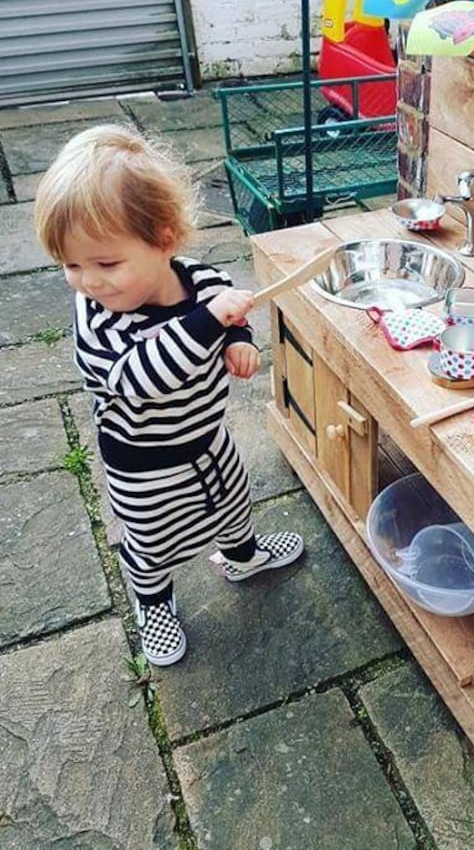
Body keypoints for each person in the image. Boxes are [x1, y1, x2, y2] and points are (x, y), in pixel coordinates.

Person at [33, 124, 304, 667]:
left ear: (164, 240)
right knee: (150, 542)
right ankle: (153, 602)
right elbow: (142, 377)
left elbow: (224, 303)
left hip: (208, 437)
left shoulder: (198, 279)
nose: (88, 282)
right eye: (71, 265)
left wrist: (238, 338)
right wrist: (210, 323)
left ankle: (243, 556)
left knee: (233, 502)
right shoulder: (100, 325)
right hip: (143, 463)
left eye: (105, 263)